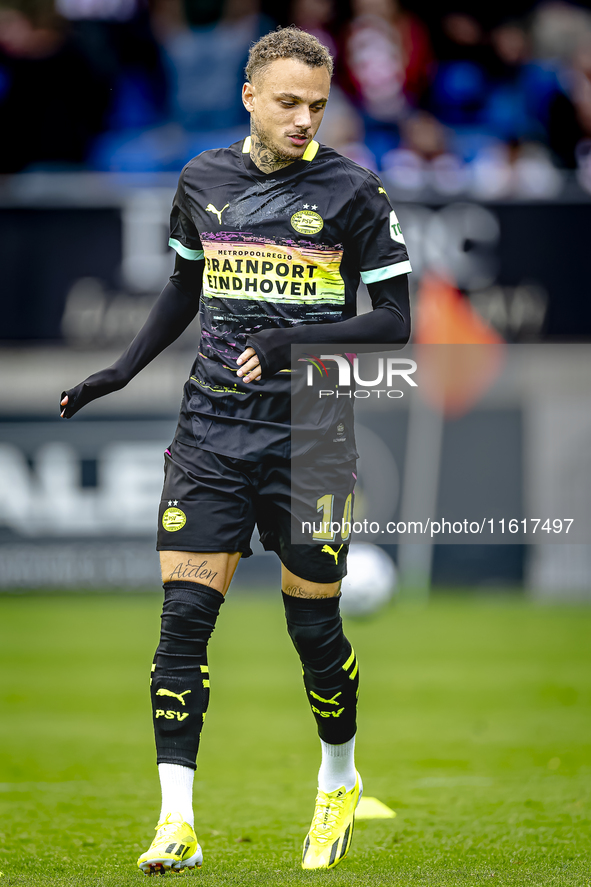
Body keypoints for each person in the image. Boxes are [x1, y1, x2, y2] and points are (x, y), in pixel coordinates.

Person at [60, 25, 411, 873]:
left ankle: (338, 779)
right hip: (210, 433)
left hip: (313, 438)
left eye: (318, 106)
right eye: (288, 102)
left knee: (313, 626)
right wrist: (121, 367)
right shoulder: (201, 180)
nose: (303, 119)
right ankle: (175, 821)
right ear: (248, 95)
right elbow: (186, 281)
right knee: (183, 621)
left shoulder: (353, 191)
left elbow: (397, 321)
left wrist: (296, 344)